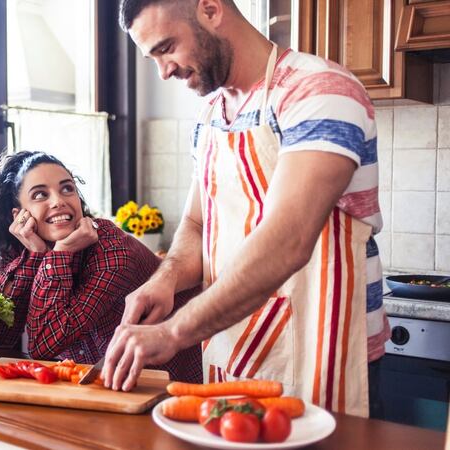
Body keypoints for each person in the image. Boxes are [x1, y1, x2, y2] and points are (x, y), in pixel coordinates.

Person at [101, 0, 390, 418]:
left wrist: (174, 331)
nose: (163, 71)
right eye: (153, 58)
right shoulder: (210, 116)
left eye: (166, 48)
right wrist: (164, 280)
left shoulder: (319, 89)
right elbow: (198, 224)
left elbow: (287, 241)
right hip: (233, 353)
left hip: (326, 354)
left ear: (211, 10)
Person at [0, 150, 202, 382]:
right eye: (41, 194)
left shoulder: (111, 248)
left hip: (177, 384)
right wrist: (36, 256)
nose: (59, 201)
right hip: (111, 389)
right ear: (19, 215)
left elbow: (45, 345)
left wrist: (60, 253)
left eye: (67, 189)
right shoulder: (26, 251)